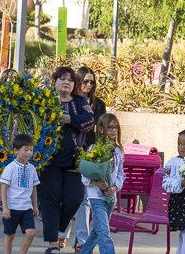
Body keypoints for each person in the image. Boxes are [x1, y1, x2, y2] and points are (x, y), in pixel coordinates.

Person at [37, 66, 94, 254]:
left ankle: (57, 227)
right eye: (61, 79)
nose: (66, 82)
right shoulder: (45, 101)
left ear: (74, 84)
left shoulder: (80, 101)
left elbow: (89, 121)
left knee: (74, 199)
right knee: (51, 201)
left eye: (70, 80)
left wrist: (68, 118)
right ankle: (52, 245)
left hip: (74, 162)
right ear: (54, 82)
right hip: (49, 161)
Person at [63, 66, 106, 252]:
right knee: (70, 197)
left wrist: (102, 152)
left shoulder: (98, 104)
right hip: (71, 151)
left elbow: (102, 128)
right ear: (77, 82)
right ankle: (62, 233)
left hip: (90, 153)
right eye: (85, 81)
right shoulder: (69, 101)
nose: (88, 85)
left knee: (84, 198)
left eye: (92, 82)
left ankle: (81, 240)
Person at [81, 113, 125, 254]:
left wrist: (114, 187)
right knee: (104, 234)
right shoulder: (93, 149)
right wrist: (96, 182)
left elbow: (120, 174)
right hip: (96, 197)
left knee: (97, 231)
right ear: (101, 129)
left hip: (110, 197)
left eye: (116, 127)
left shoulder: (118, 151)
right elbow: (84, 174)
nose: (113, 131)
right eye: (110, 127)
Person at [0, 134, 40, 254]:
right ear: (16, 151)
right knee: (10, 236)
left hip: (26, 208)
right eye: (25, 150)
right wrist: (5, 207)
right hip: (12, 208)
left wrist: (35, 206)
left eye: (31, 150)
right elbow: (4, 188)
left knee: (31, 233)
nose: (29, 153)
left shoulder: (32, 168)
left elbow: (33, 188)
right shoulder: (10, 168)